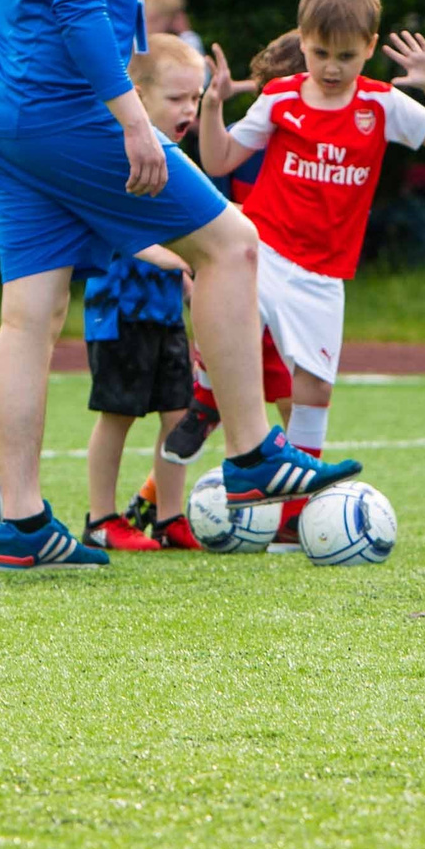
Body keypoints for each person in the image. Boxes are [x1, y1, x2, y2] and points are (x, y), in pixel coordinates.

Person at [0, 0, 361, 572]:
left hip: (5, 110)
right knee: (231, 244)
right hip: (69, 110)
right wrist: (132, 117)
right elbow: (77, 9)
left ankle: (24, 524)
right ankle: (255, 453)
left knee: (27, 318)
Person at [197, 0, 425, 510]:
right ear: (301, 40)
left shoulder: (381, 103)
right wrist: (212, 109)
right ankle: (206, 392)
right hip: (265, 250)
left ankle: (293, 514)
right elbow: (220, 161)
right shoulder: (279, 99)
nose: (330, 67)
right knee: (237, 336)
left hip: (325, 272)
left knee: (314, 391)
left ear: (370, 49)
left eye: (346, 56)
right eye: (319, 52)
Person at [129, 30, 302, 540]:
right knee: (162, 409)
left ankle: (284, 511)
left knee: (287, 391)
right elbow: (206, 227)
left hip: (280, 289)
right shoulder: (236, 143)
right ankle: (158, 505)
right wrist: (210, 110)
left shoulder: (322, 147)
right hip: (146, 305)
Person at [77, 42, 211, 553]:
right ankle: (102, 518)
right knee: (119, 413)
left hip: (163, 313)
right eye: (177, 98)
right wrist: (180, 257)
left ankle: (170, 517)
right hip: (118, 313)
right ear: (136, 96)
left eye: (195, 99)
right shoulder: (116, 151)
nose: (188, 111)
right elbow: (115, 227)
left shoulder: (177, 161)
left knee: (178, 412)